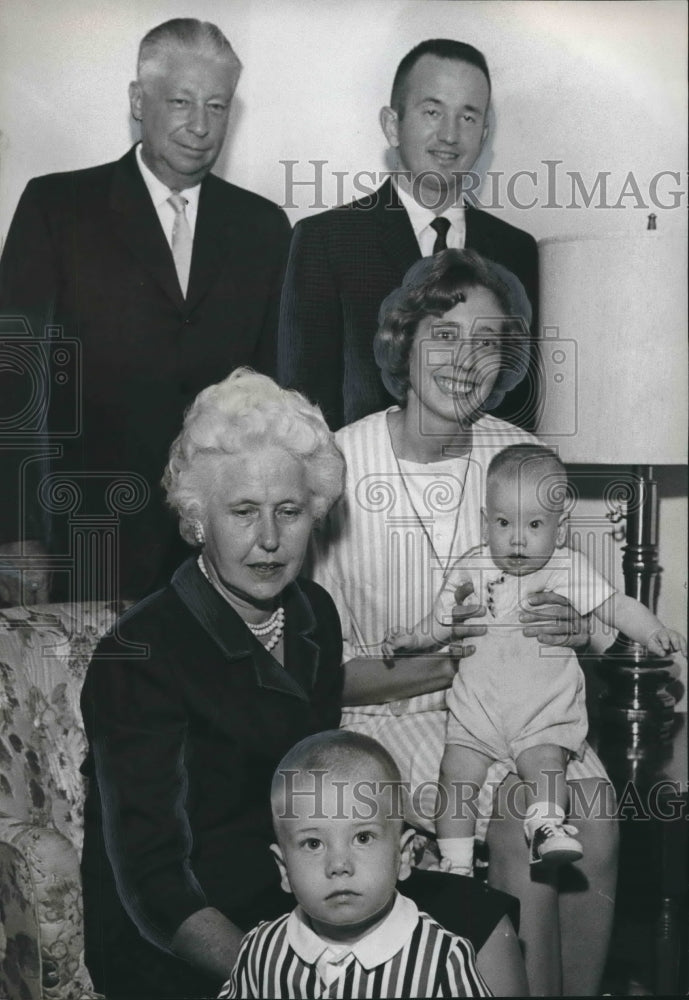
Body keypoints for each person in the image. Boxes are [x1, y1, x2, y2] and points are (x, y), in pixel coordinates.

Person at [309, 249, 619, 995]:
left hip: (526, 709)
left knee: (600, 814)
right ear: (402, 343)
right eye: (444, 334)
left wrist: (576, 632)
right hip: (392, 717)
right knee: (521, 818)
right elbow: (316, 674)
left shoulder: (523, 459)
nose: (465, 358)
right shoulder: (336, 468)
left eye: (486, 341)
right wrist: (447, 665)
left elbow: (591, 615)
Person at [0, 18, 291, 604]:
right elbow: (14, 385)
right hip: (84, 535)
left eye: (217, 105)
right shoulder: (58, 208)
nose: (201, 126)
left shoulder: (264, 227)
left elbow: (272, 396)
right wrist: (18, 533)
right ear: (139, 101)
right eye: (181, 102)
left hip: (220, 551)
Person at [79, 370, 345, 999]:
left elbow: (318, 781)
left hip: (298, 890)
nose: (271, 541)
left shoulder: (316, 616)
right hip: (180, 931)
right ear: (198, 520)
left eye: (289, 511)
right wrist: (276, 980)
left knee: (483, 924)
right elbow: (152, 881)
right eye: (243, 512)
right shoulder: (137, 655)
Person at [385, 444, 686, 875]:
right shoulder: (472, 565)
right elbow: (440, 623)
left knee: (546, 765)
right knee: (455, 775)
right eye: (504, 523)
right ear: (485, 522)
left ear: (559, 529)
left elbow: (617, 606)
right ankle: (456, 863)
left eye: (535, 524)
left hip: (541, 712)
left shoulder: (567, 568)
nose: (518, 539)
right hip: (478, 712)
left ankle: (546, 824)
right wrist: (409, 638)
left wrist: (654, 630)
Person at [278, 38, 538, 432]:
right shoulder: (326, 241)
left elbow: (518, 409)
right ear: (392, 124)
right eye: (432, 111)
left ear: (484, 134)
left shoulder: (516, 251)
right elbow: (303, 413)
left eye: (468, 117)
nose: (450, 135)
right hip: (361, 486)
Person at [219, 730, 490, 999]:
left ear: (404, 854)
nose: (338, 865)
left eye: (363, 837)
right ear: (284, 869)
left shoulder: (441, 960)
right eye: (313, 844)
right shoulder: (261, 950)